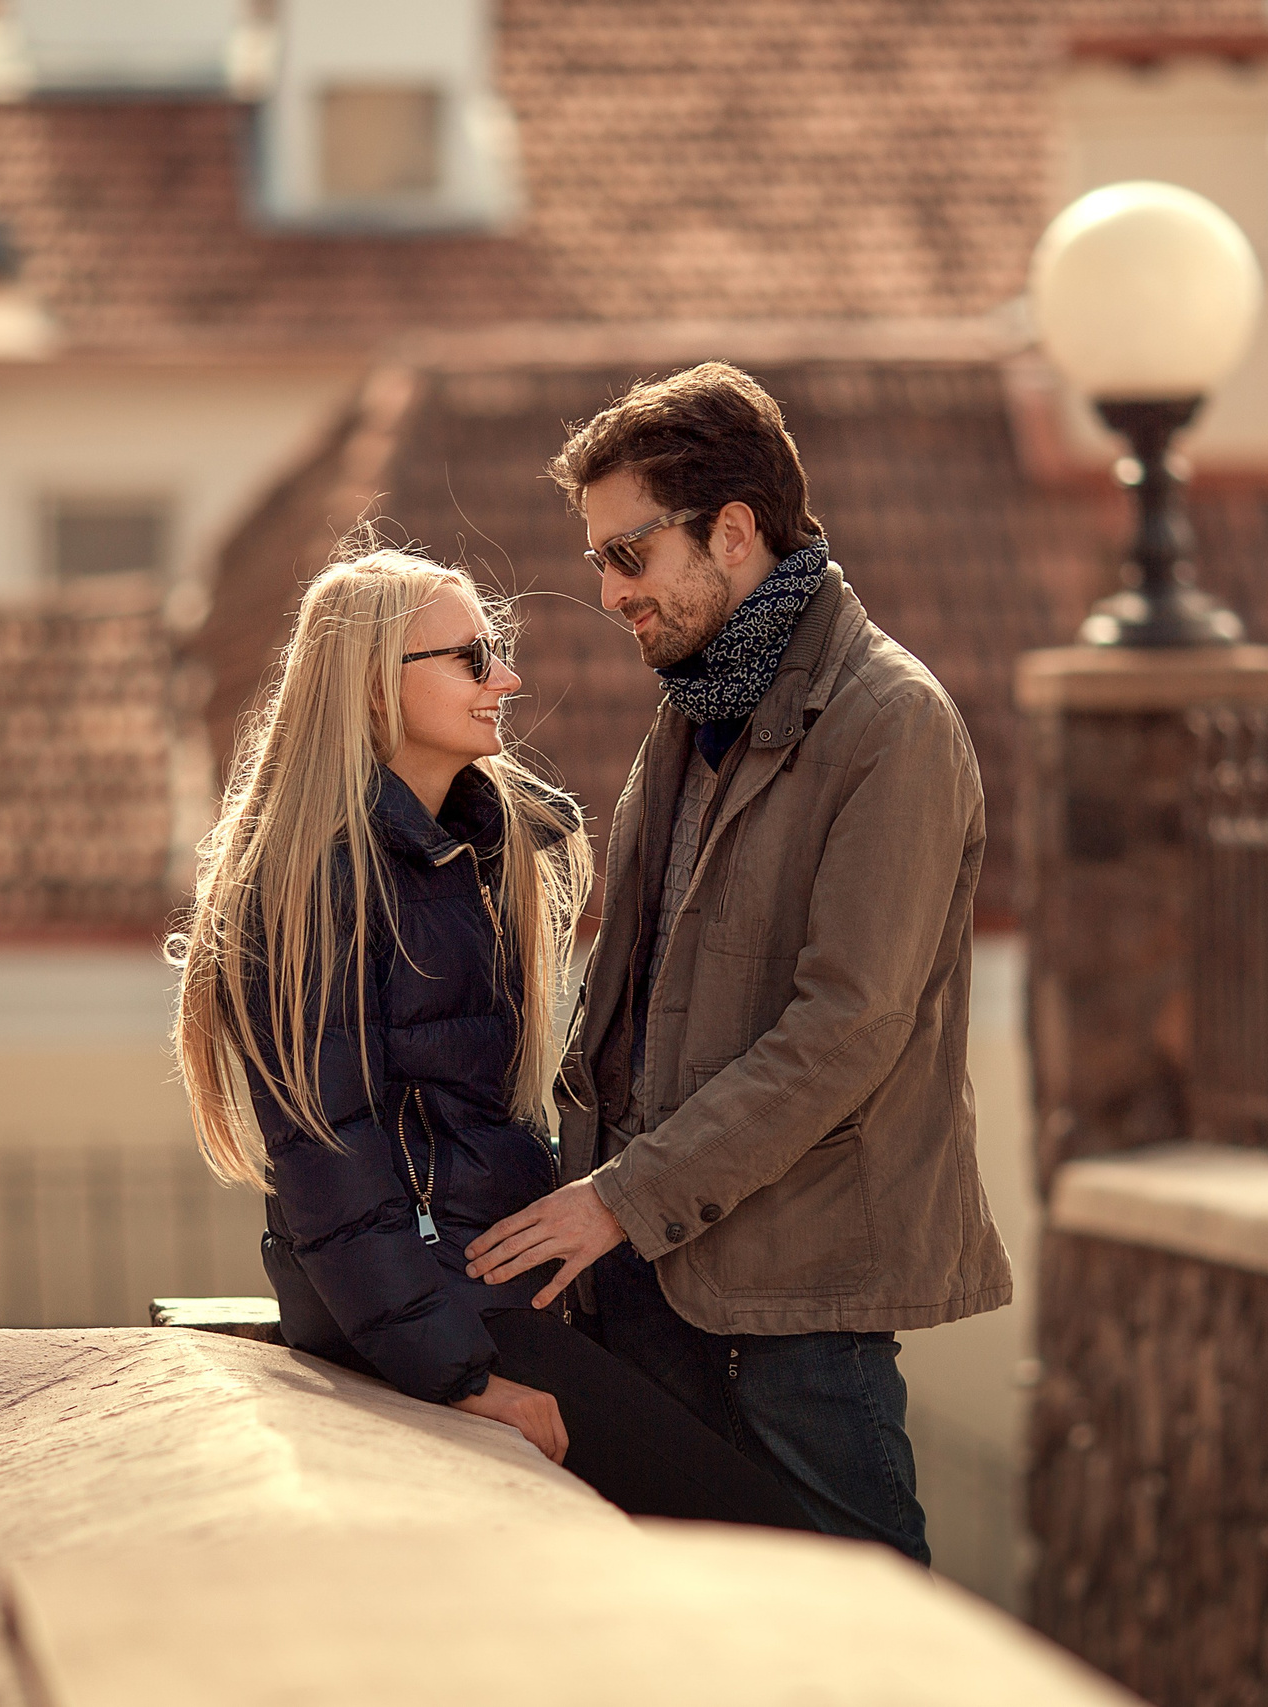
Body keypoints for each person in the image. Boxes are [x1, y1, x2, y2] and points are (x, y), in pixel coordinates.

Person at [460, 363, 1014, 1563]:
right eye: (601, 558)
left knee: (873, 1649)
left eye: (628, 555)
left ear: (735, 529)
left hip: (797, 1306)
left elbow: (847, 1031)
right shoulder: (693, 710)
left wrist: (615, 1201)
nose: (608, 591)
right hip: (647, 1285)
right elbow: (634, 994)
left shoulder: (893, 724)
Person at [171, 543, 811, 1531]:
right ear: (377, 691)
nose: (505, 678)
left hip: (491, 1294)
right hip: (441, 1319)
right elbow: (330, 1173)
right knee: (762, 1546)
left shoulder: (463, 854)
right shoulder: (311, 886)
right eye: (471, 659)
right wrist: (463, 1381)